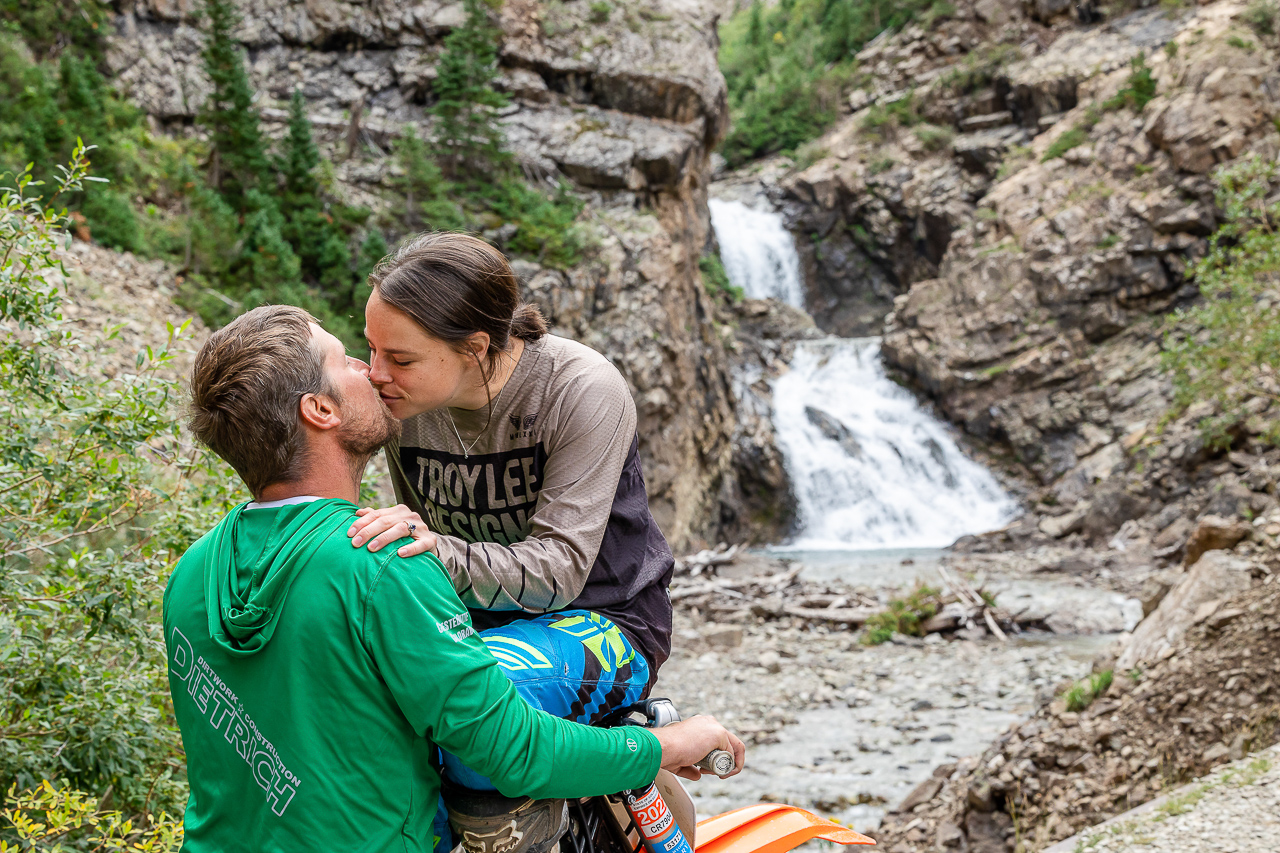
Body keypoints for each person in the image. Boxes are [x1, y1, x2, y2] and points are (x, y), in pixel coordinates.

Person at [164, 305, 744, 853]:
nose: (373, 372)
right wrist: (666, 746)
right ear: (321, 410)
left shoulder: (194, 571)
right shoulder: (380, 563)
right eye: (348, 361)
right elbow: (513, 750)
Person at [348, 233, 676, 790]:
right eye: (371, 349)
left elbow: (560, 571)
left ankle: (656, 750)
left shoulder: (579, 389)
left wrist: (434, 551)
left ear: (476, 347)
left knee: (478, 724)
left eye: (399, 359)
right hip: (473, 622)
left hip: (606, 617)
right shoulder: (403, 405)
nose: (375, 373)